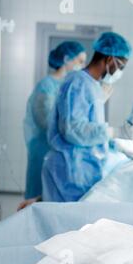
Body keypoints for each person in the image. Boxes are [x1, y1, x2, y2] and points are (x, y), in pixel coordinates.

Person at [41, 32, 133, 202]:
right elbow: (73, 129)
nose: (119, 71)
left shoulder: (92, 85)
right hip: (70, 169)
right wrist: (115, 131)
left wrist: (117, 145)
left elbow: (89, 126)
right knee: (66, 225)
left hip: (79, 167)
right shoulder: (78, 83)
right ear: (109, 60)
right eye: (120, 66)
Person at [19, 41, 86, 210]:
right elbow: (45, 121)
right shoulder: (46, 86)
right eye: (80, 61)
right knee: (37, 200)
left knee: (52, 201)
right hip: (43, 150)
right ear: (66, 59)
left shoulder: (66, 86)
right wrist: (71, 129)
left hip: (57, 150)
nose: (83, 66)